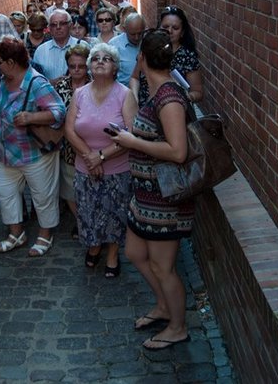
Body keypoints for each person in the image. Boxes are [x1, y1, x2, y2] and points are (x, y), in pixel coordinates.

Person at [109, 28, 192, 351]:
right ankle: (162, 306)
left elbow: (178, 152)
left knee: (163, 266)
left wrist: (133, 142)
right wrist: (133, 79)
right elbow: (134, 104)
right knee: (135, 253)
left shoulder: (169, 98)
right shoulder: (155, 90)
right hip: (144, 194)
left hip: (164, 197)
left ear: (141, 57)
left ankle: (178, 326)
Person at [64, 43, 137, 278]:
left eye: (107, 58)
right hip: (85, 167)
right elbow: (70, 130)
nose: (100, 61)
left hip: (117, 169)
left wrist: (101, 156)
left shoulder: (124, 95)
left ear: (115, 67)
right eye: (96, 58)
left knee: (115, 213)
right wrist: (89, 158)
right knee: (87, 212)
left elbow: (131, 134)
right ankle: (94, 246)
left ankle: (113, 254)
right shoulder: (80, 94)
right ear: (89, 66)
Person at [0, 36, 66, 257]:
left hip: (35, 154)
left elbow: (59, 112)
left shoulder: (36, 83)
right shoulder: (4, 81)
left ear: (11, 62)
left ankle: (45, 234)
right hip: (6, 154)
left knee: (42, 196)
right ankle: (17, 233)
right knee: (5, 192)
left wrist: (31, 117)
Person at [130, 5, 204, 106]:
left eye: (175, 28)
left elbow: (198, 92)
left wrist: (184, 97)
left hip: (173, 108)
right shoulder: (149, 48)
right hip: (144, 108)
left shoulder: (188, 56)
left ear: (182, 32)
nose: (169, 31)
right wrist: (134, 98)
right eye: (165, 27)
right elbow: (135, 78)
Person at [53, 44, 92, 239]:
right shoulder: (60, 86)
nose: (76, 70)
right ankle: (81, 221)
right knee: (69, 190)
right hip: (67, 147)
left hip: (92, 146)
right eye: (72, 66)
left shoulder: (97, 84)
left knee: (90, 189)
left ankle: (90, 220)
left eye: (81, 66)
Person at [32, 9, 90, 86]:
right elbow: (35, 80)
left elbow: (91, 74)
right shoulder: (41, 51)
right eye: (54, 24)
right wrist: (50, 83)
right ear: (49, 28)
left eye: (62, 23)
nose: (58, 27)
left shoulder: (83, 46)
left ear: (71, 25)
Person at [109, 12, 146, 86]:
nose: (137, 37)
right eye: (132, 34)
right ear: (125, 29)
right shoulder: (114, 45)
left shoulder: (148, 42)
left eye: (140, 33)